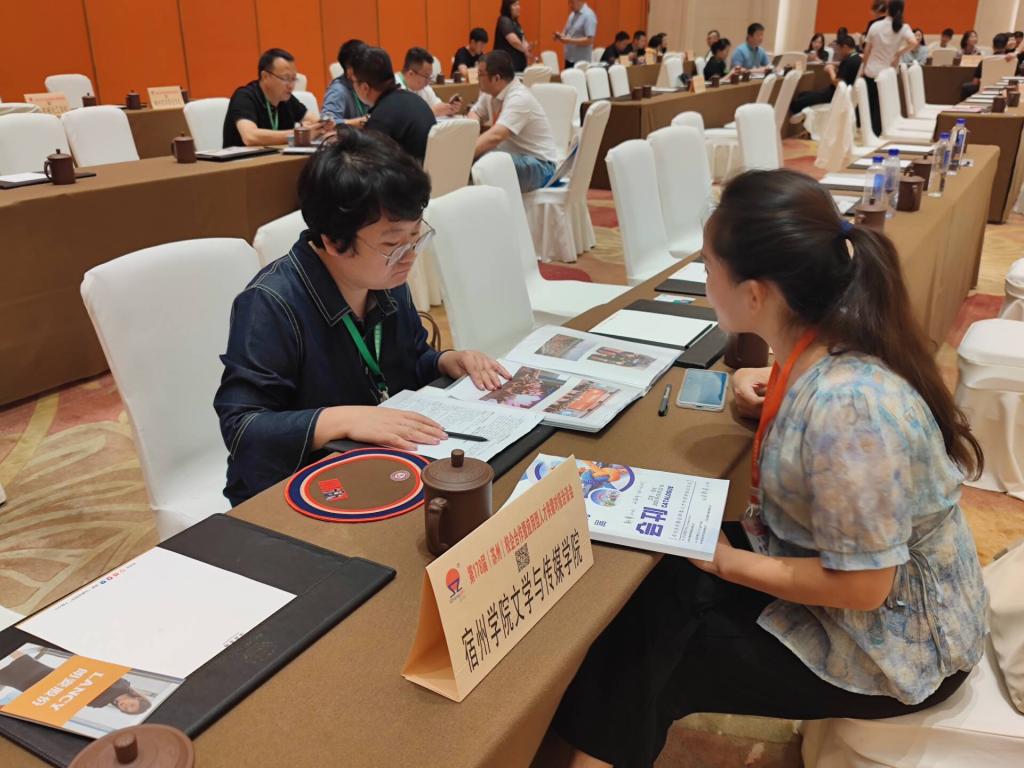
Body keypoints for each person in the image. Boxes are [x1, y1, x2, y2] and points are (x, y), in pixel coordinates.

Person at [545, 168, 986, 768]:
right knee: (656, 590)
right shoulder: (829, 341)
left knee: (649, 656)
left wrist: (729, 562)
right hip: (861, 589)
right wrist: (765, 392)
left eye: (707, 266)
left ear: (755, 295)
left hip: (902, 647)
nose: (703, 280)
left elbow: (865, 587)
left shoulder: (847, 410)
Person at [215, 128, 508, 505]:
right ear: (334, 241)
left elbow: (407, 362)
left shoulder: (384, 278)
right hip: (294, 487)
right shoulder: (271, 304)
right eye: (392, 244)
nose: (409, 256)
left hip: (376, 466)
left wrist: (446, 361)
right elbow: (243, 428)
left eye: (415, 237)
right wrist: (342, 420)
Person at [468, 51, 560, 192]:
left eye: (480, 74)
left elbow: (496, 136)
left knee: (490, 164)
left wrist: (464, 153)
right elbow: (475, 112)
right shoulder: (490, 94)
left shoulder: (519, 97)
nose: (477, 78)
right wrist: (472, 133)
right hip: (515, 157)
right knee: (483, 161)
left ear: (496, 78)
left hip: (540, 165)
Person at [223, 48, 332, 148]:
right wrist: (298, 134)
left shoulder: (287, 99)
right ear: (265, 77)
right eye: (285, 78)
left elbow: (313, 119)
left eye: (294, 79)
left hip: (276, 159)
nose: (291, 86)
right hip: (242, 161)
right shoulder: (244, 97)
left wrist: (323, 125)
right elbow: (250, 137)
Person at [351, 47, 436, 163]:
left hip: (408, 173)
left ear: (365, 87)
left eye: (353, 81)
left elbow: (370, 165)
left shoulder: (380, 120)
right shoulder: (416, 100)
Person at [0, 650, 151, 715]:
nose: (125, 706)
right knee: (24, 661)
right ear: (137, 698)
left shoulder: (101, 703)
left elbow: (77, 699)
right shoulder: (122, 684)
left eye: (126, 710)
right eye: (131, 705)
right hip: (57, 678)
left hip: (48, 689)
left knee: (10, 678)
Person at [859, 0, 915, 137]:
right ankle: (878, 134)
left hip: (871, 71)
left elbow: (867, 51)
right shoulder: (903, 27)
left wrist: (863, 68)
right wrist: (898, 53)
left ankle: (868, 134)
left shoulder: (875, 26)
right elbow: (913, 42)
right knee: (883, 107)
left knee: (870, 105)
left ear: (887, 9)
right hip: (888, 73)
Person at [790, 34, 860, 117]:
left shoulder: (849, 61)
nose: (839, 52)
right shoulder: (857, 59)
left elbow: (838, 84)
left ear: (845, 47)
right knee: (803, 94)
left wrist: (830, 70)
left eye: (839, 49)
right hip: (836, 94)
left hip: (833, 95)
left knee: (798, 102)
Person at [397, 47, 460, 118]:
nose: (428, 82)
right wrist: (431, 112)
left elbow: (438, 106)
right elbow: (403, 119)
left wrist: (449, 109)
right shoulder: (394, 89)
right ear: (411, 74)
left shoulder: (425, 88)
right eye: (426, 77)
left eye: (430, 77)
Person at [322, 39, 369, 125]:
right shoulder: (337, 91)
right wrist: (361, 122)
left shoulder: (369, 83)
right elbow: (327, 123)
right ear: (350, 71)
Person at [961, 33, 1012, 100]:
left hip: (985, 91)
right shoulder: (1013, 61)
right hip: (1004, 92)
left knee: (966, 87)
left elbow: (975, 82)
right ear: (1006, 46)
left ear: (993, 46)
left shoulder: (985, 61)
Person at [554, 0, 597, 69]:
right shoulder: (572, 15)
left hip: (581, 62)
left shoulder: (588, 15)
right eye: (569, 2)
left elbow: (590, 40)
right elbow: (567, 33)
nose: (570, 5)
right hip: (569, 59)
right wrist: (560, 36)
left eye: (572, 2)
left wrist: (570, 41)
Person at [495, 0, 530, 72]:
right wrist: (525, 50)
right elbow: (514, 41)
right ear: (507, 7)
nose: (518, 7)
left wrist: (528, 49)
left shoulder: (516, 23)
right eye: (515, 5)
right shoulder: (504, 20)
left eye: (518, 4)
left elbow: (523, 39)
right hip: (507, 65)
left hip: (519, 65)